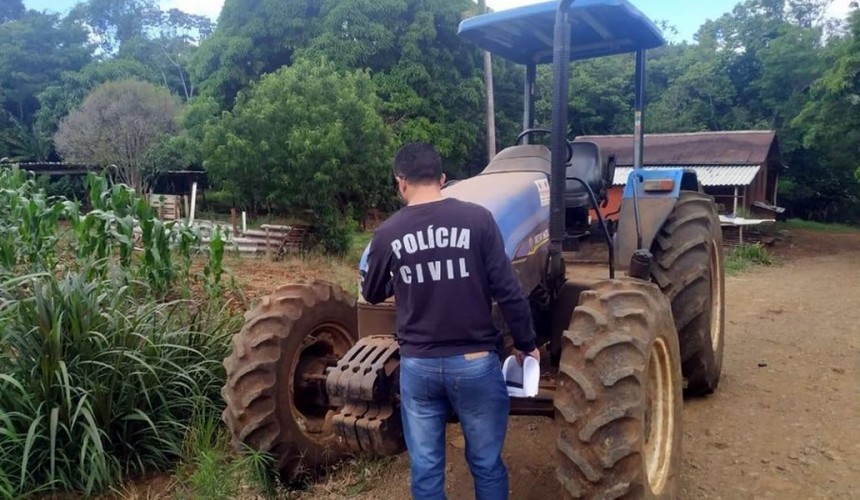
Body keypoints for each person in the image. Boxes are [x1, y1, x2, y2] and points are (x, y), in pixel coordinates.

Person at [360, 142, 539, 500]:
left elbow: (373, 293)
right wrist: (525, 343)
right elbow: (508, 291)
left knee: (426, 469)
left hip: (419, 367)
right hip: (475, 364)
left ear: (401, 182)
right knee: (486, 464)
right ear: (442, 179)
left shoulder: (388, 233)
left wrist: (406, 274)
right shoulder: (479, 220)